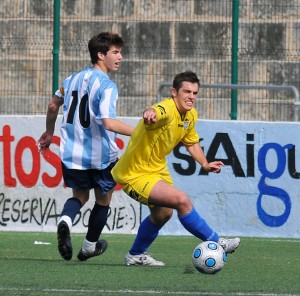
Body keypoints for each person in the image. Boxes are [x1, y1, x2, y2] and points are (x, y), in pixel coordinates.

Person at [111, 70, 240, 266]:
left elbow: (191, 142)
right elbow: (156, 110)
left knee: (163, 214)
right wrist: (150, 113)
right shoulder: (167, 109)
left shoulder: (190, 115)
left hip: (156, 170)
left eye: (195, 93)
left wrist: (205, 163)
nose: (191, 97)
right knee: (181, 200)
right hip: (134, 174)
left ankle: (135, 254)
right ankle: (217, 241)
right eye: (186, 92)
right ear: (174, 92)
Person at [38, 32, 134, 261]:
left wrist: (49, 133)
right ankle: (90, 246)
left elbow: (53, 106)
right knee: (103, 200)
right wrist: (139, 132)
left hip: (73, 154)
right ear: (101, 55)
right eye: (115, 52)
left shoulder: (71, 80)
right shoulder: (107, 86)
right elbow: (108, 122)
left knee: (79, 197)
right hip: (101, 156)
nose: (120, 57)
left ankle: (65, 220)